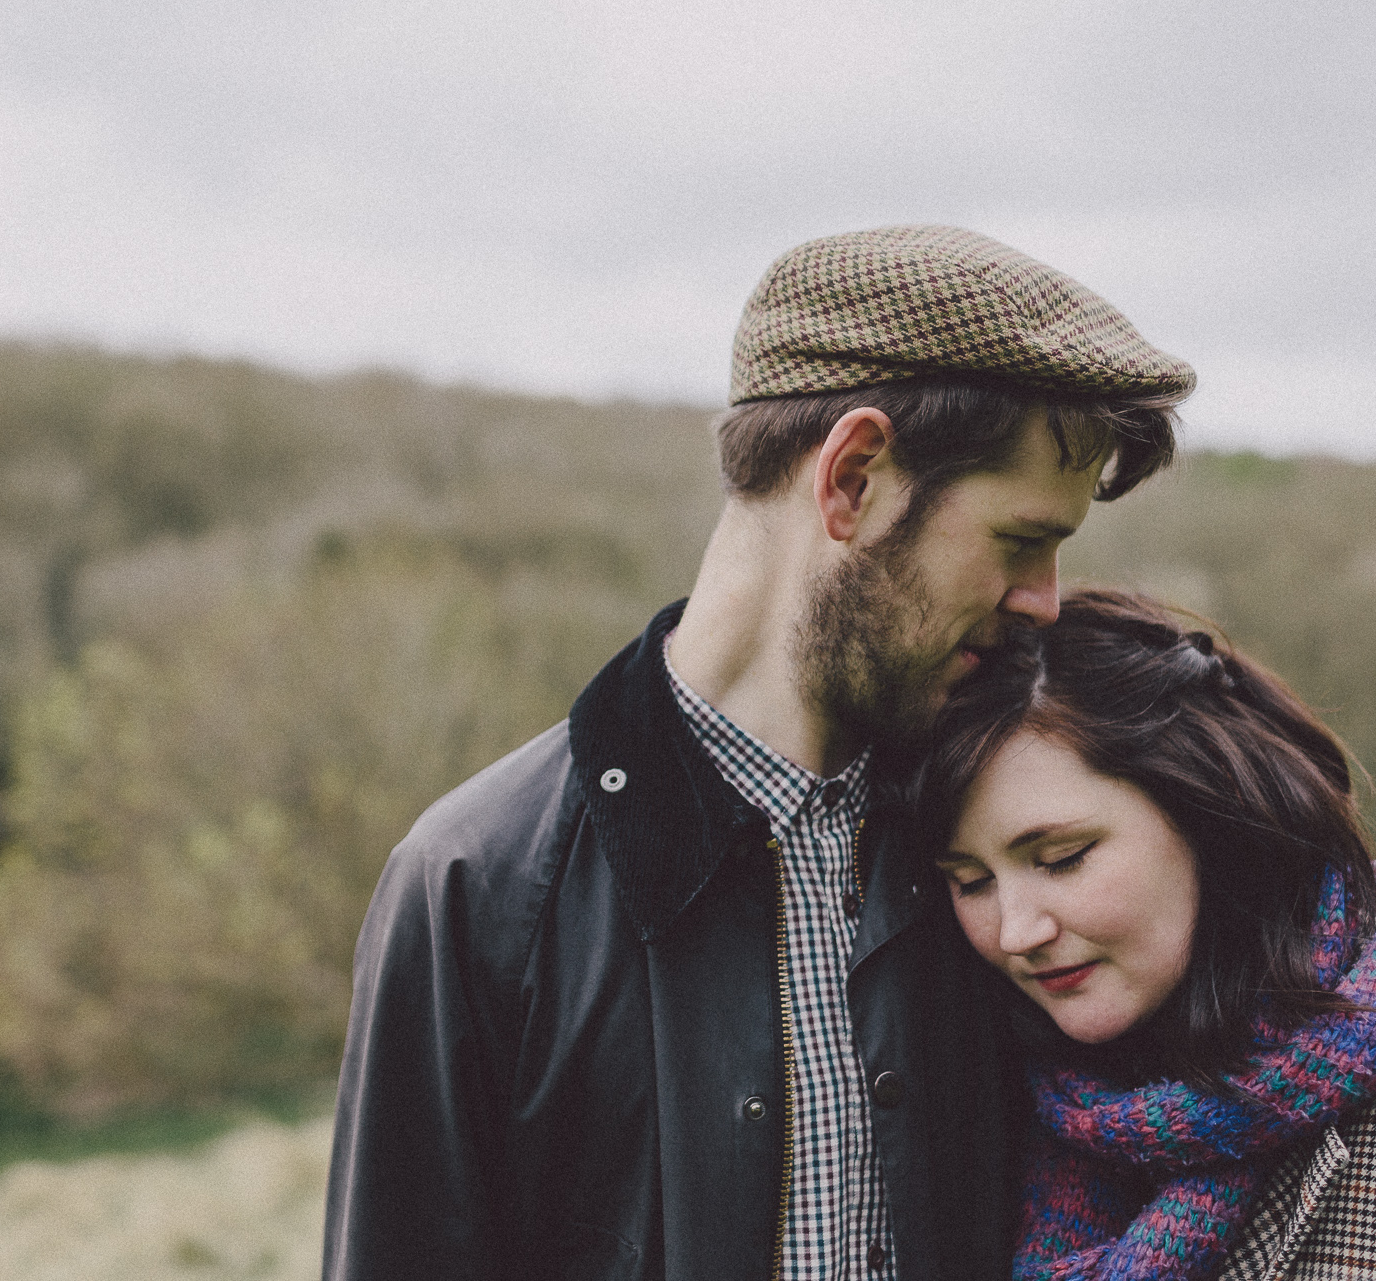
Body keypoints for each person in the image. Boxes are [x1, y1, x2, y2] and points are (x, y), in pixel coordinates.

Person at [321, 227, 1196, 1280]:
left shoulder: (1001, 840)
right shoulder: (475, 885)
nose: (1043, 600)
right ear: (852, 477)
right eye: (1019, 540)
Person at [919, 589, 1376, 1281]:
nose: (1017, 931)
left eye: (1062, 858)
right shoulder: (977, 1094)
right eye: (971, 879)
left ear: (1207, 811)